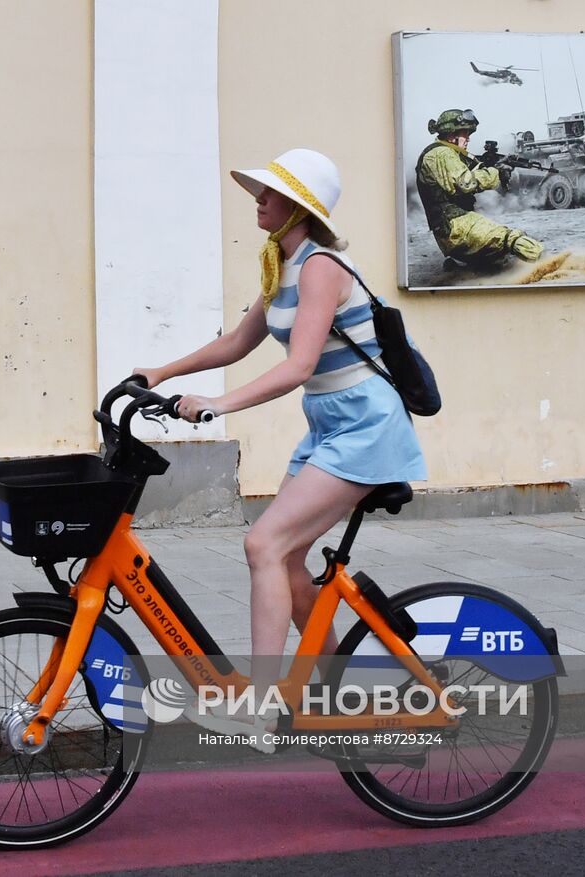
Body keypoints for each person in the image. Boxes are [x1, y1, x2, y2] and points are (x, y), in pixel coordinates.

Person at [133, 148, 427, 744]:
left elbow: (298, 366)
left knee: (263, 543)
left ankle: (259, 708)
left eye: (268, 194)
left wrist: (219, 405)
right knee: (287, 559)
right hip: (330, 425)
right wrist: (160, 375)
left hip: (367, 426)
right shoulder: (280, 263)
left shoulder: (321, 268)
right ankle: (336, 689)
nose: (258, 201)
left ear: (297, 208)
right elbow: (238, 342)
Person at [416, 109, 543, 269]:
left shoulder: (448, 153)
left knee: (499, 262)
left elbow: (470, 172)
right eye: (465, 133)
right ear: (451, 134)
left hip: (453, 229)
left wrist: (492, 166)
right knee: (510, 239)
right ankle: (550, 263)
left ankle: (459, 269)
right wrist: (496, 173)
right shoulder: (442, 153)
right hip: (456, 227)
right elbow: (465, 183)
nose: (468, 138)